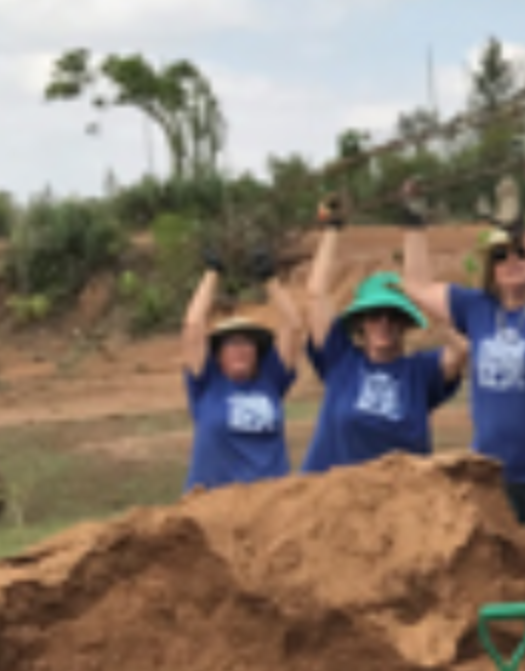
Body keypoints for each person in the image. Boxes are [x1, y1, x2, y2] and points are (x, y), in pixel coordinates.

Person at [399, 176, 525, 563]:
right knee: (502, 586)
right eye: (501, 255)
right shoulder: (476, 308)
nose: (512, 261)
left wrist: (523, 230)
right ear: (490, 267)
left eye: (520, 253)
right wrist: (413, 221)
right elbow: (417, 286)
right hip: (494, 479)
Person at [300, 195, 465, 474]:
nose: (384, 323)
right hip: (333, 501)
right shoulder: (341, 358)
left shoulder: (420, 372)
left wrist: (422, 299)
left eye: (393, 315)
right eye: (375, 315)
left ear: (404, 322)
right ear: (361, 322)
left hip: (398, 504)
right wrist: (332, 230)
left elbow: (461, 348)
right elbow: (315, 295)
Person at [180, 244, 305, 491]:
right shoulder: (207, 383)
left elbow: (293, 326)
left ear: (258, 353)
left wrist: (269, 280)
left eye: (248, 343)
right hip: (212, 501)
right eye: (231, 343)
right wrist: (212, 273)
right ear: (218, 355)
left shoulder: (271, 380)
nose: (240, 349)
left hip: (269, 502)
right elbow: (193, 326)